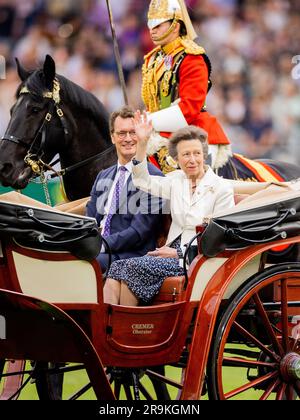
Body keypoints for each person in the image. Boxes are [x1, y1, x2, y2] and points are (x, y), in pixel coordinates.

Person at [103, 111, 235, 306]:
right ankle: (108, 329)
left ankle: (125, 330)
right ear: (177, 159)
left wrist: (179, 253)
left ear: (204, 155)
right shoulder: (175, 180)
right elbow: (141, 180)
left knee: (129, 268)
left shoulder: (221, 188)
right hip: (169, 252)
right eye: (186, 155)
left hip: (196, 257)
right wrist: (142, 142)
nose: (192, 160)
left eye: (196, 153)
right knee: (116, 269)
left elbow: (221, 238)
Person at [141, 0, 232, 174]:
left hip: (194, 132)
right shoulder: (153, 59)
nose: (153, 29)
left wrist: (149, 121)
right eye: (150, 24)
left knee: (199, 180)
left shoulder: (192, 57)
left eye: (159, 24)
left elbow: (188, 110)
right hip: (158, 131)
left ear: (175, 26)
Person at [86, 106, 164, 273]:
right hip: (97, 248)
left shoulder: (154, 177)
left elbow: (138, 232)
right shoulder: (103, 176)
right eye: (122, 133)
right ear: (112, 137)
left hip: (131, 255)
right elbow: (89, 220)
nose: (128, 138)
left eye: (133, 132)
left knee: (85, 263)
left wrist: (100, 245)